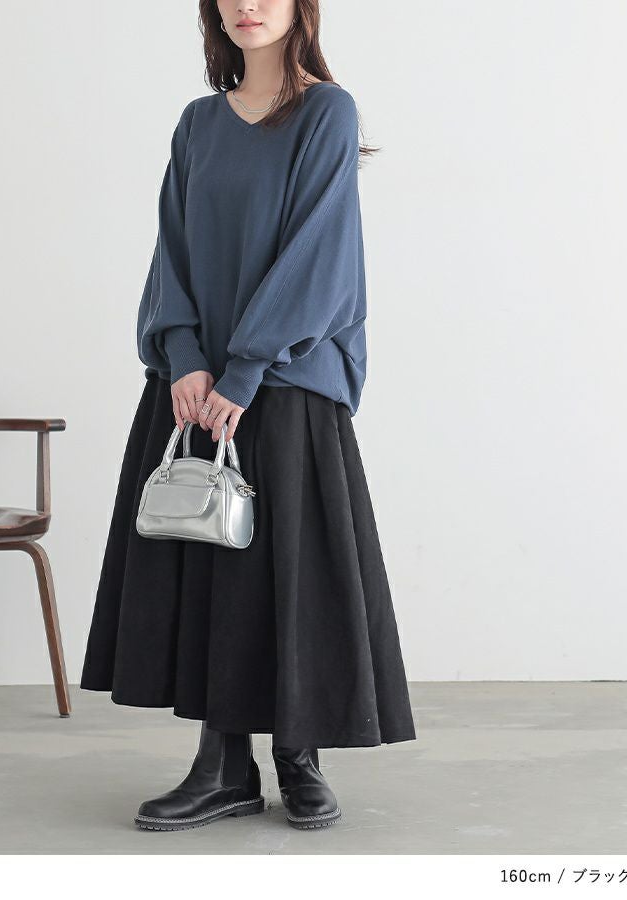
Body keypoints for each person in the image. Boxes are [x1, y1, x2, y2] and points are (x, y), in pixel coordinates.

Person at [80, 0, 417, 832]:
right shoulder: (198, 124)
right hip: (198, 383)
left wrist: (246, 366)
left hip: (287, 378)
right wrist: (184, 355)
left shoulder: (327, 114)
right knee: (211, 573)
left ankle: (298, 756)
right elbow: (172, 251)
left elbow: (321, 254)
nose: (247, 4)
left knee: (289, 571)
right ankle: (223, 766)